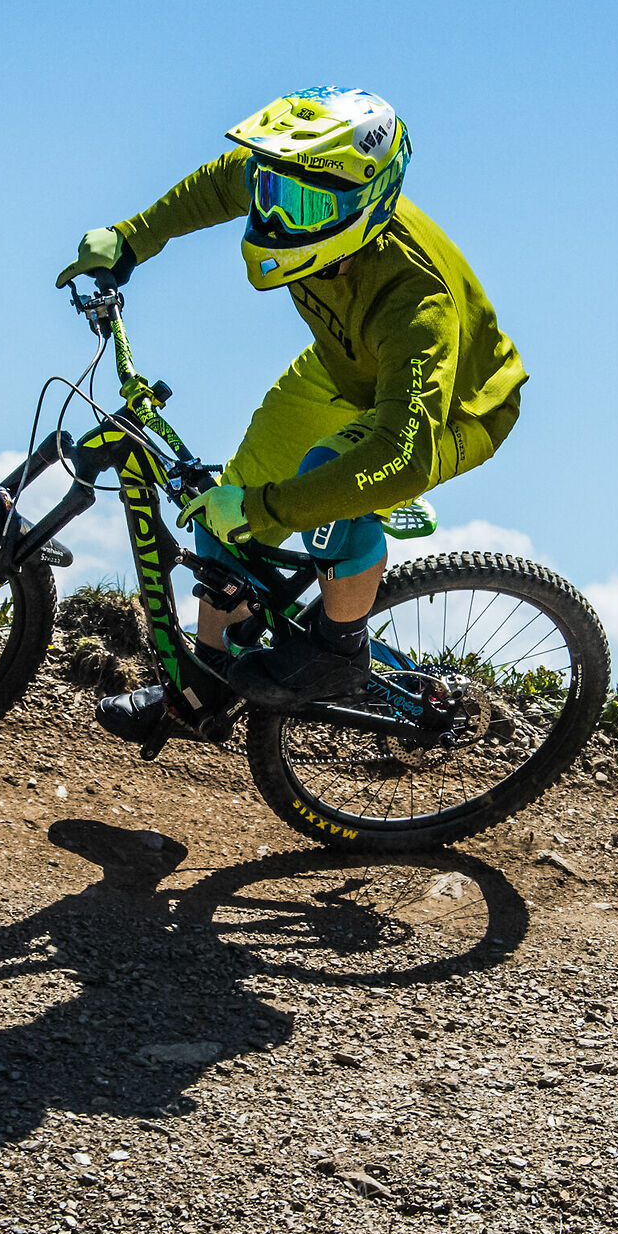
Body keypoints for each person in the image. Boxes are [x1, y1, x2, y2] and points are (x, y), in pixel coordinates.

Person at [55, 87, 525, 744]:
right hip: (343, 367)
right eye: (275, 194)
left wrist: (269, 509)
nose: (276, 218)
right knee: (225, 508)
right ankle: (203, 691)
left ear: (368, 201)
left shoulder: (417, 303)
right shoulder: (306, 187)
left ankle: (339, 649)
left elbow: (399, 451)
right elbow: (230, 181)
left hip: (453, 410)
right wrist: (134, 237)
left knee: (325, 482)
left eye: (301, 206)